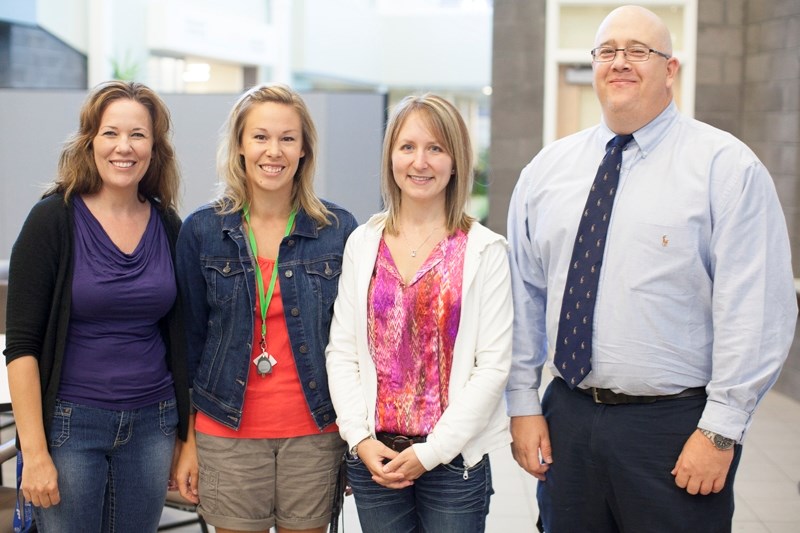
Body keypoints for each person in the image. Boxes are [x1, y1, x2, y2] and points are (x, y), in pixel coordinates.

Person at [506, 5, 797, 532]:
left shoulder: (725, 169)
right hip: (566, 416)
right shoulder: (546, 172)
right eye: (608, 51)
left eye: (639, 51)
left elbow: (757, 310)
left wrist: (720, 431)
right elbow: (524, 297)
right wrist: (523, 403)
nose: (621, 62)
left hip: (675, 426)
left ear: (671, 69)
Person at [3, 80, 190, 533]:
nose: (123, 147)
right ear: (90, 142)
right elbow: (22, 346)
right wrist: (35, 453)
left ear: (154, 147)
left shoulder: (168, 224)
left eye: (138, 135)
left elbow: (184, 340)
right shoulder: (53, 219)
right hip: (70, 427)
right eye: (110, 133)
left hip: (153, 424)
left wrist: (187, 439)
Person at [174, 83, 357, 533]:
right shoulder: (202, 230)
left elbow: (354, 346)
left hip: (316, 432)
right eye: (260, 137)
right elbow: (187, 343)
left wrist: (356, 438)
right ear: (239, 144)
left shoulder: (338, 230)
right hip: (226, 432)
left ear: (303, 149)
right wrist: (188, 441)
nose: (273, 151)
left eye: (287, 138)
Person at [325, 93, 513, 532]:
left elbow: (492, 367)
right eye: (407, 147)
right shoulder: (363, 242)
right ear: (391, 155)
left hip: (453, 463)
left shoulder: (485, 250)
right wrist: (358, 439)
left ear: (455, 161)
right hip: (378, 459)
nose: (420, 162)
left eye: (435, 148)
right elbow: (343, 352)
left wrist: (431, 453)